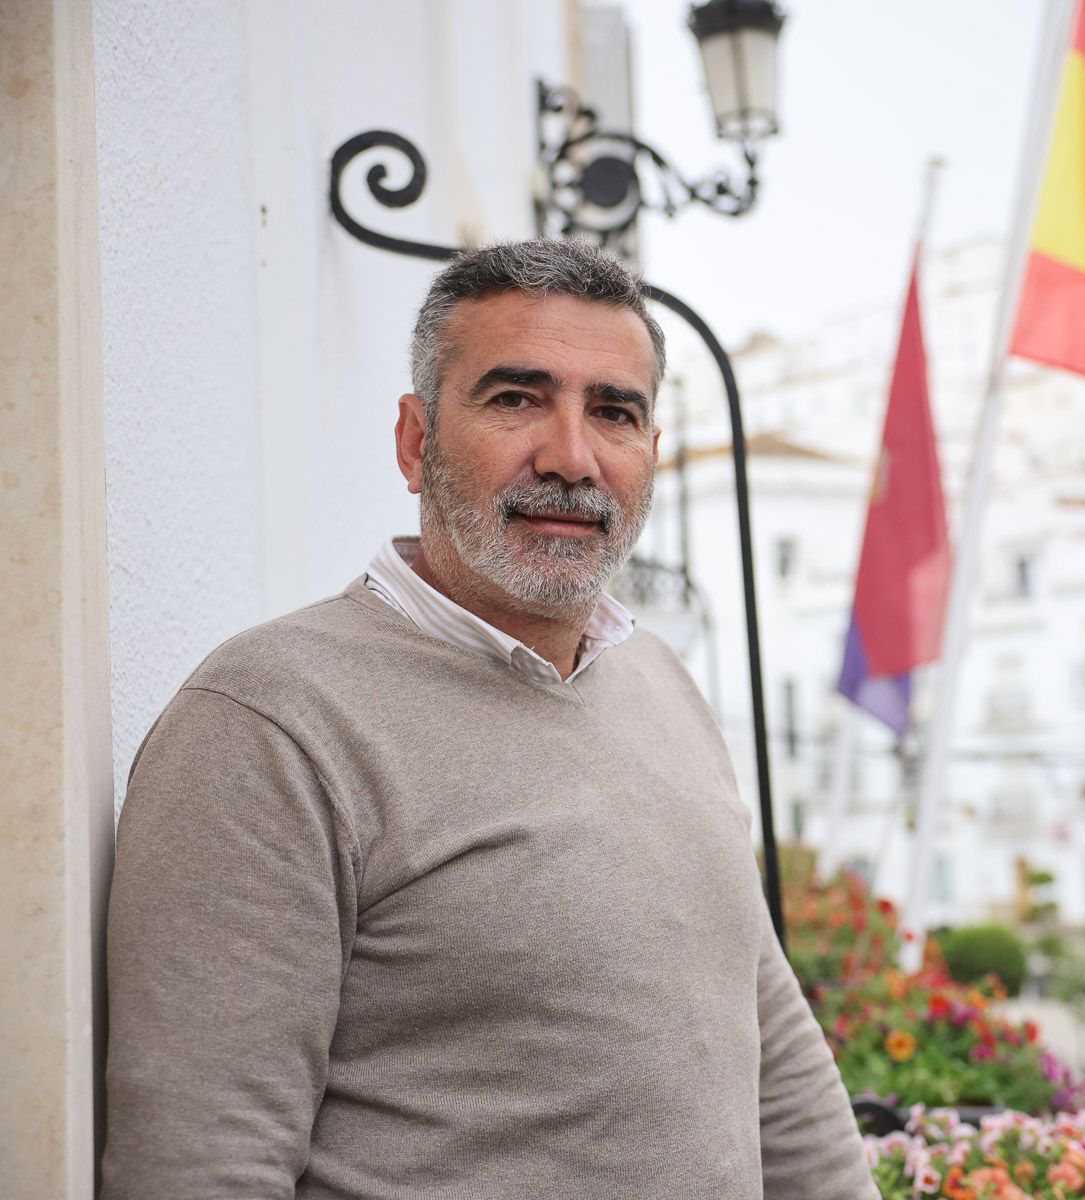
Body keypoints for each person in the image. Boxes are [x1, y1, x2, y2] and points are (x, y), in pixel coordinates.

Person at [101, 241, 878, 1198]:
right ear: (414, 442)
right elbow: (202, 1164)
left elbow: (773, 1048)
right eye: (515, 399)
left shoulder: (660, 682)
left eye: (614, 412)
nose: (570, 457)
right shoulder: (268, 723)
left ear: (652, 455)